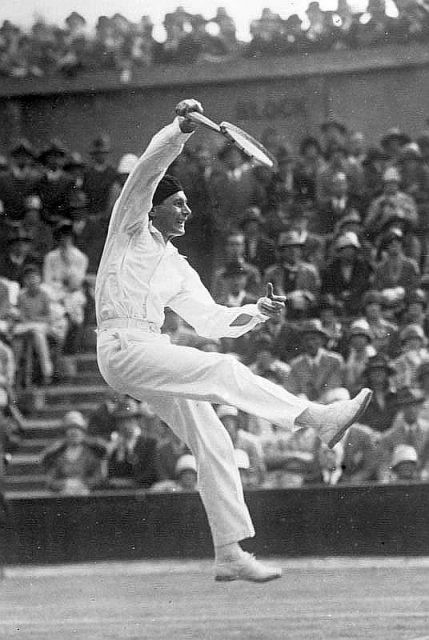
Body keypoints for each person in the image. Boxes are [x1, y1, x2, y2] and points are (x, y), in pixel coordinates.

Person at [95, 98, 372, 583]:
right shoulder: (129, 229)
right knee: (220, 371)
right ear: (153, 208)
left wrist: (256, 313)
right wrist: (178, 131)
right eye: (178, 204)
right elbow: (145, 173)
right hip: (121, 346)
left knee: (214, 437)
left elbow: (211, 320)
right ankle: (316, 417)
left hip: (146, 351)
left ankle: (229, 551)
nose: (187, 211)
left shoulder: (177, 265)